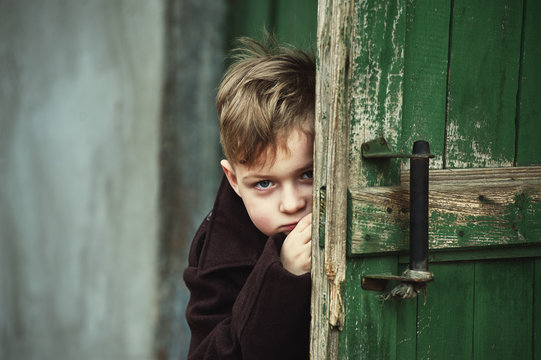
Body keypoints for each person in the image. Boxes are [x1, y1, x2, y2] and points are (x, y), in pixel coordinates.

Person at [183, 37, 316, 360]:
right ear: (234, 180)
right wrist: (279, 275)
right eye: (265, 183)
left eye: (308, 174)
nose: (291, 203)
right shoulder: (220, 252)